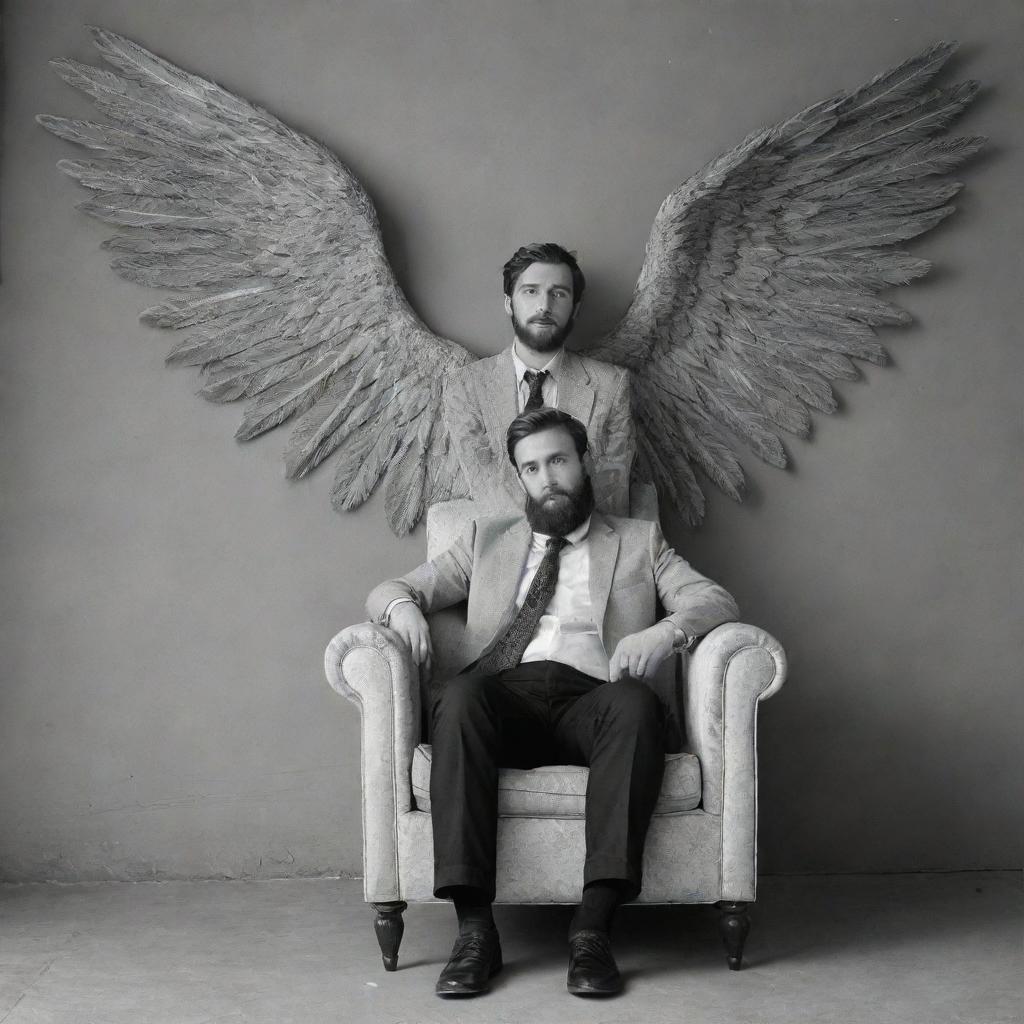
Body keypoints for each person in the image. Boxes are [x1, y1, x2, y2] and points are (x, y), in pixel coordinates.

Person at [366, 407, 738, 998]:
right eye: (532, 467)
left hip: (593, 700)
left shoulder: (639, 541)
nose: (547, 477)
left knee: (637, 706)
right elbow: (393, 587)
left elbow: (713, 599)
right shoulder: (486, 541)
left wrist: (664, 633)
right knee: (460, 698)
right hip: (504, 696)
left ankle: (592, 931)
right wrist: (402, 608)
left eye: (558, 460)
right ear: (521, 478)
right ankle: (474, 933)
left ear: (583, 462)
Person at [442, 242, 648, 517]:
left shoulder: (611, 385)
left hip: (589, 547)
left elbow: (611, 495)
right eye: (531, 291)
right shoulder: (466, 387)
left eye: (559, 294)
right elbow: (487, 490)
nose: (544, 306)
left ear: (574, 309)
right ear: (509, 303)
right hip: (505, 549)